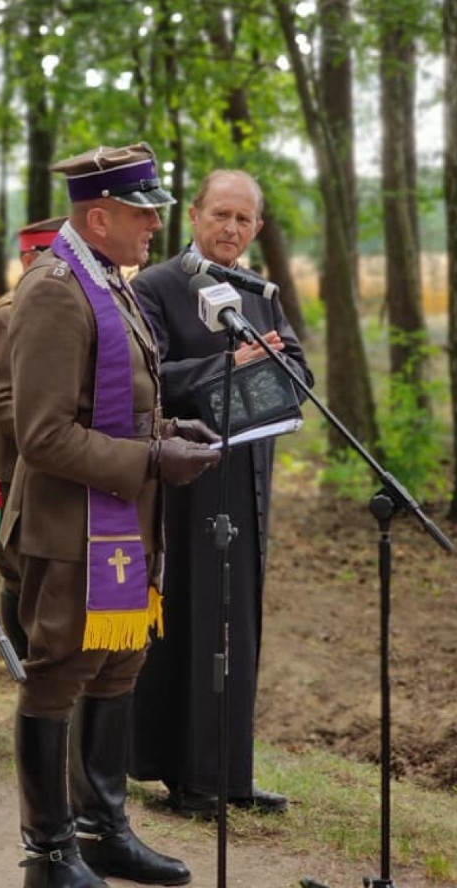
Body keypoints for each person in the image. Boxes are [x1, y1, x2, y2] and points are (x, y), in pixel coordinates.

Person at [0, 142, 220, 888]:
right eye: (142, 211)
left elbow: (119, 407)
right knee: (58, 673)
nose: (155, 224)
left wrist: (166, 433)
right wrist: (153, 461)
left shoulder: (108, 280)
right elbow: (43, 434)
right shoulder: (56, 290)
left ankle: (103, 830)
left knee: (118, 665)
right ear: (99, 217)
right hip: (71, 529)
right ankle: (49, 852)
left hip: (122, 520)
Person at [129, 169, 314, 819]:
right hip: (186, 485)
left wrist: (276, 363)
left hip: (250, 481)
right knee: (191, 625)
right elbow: (144, 377)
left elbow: (297, 366)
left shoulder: (259, 291)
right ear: (196, 217)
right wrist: (227, 365)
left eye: (244, 220)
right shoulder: (157, 286)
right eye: (220, 216)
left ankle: (232, 771)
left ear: (257, 229)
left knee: (238, 629)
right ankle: (184, 775)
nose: (231, 229)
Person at [0, 215, 65, 659]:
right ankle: (26, 667)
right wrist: (60, 428)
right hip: (13, 473)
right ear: (26, 259)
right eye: (47, 257)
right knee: (21, 575)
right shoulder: (1, 317)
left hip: (58, 466)